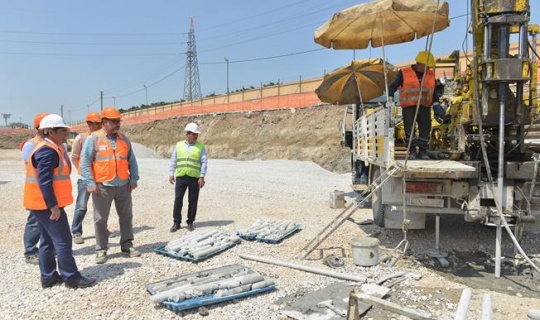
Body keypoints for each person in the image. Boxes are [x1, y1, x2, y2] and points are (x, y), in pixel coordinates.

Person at [24, 114, 95, 288]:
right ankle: (71, 277)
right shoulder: (47, 151)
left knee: (47, 241)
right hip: (46, 205)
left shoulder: (49, 148)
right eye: (63, 130)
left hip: (42, 204)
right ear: (50, 132)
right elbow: (45, 182)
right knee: (63, 241)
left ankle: (48, 277)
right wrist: (53, 207)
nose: (66, 134)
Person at [80, 107, 141, 264]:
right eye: (114, 121)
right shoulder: (93, 139)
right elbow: (85, 162)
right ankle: (101, 249)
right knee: (100, 219)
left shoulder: (124, 139)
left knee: (126, 217)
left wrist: (134, 178)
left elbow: (131, 161)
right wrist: (90, 182)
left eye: (118, 121)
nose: (117, 124)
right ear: (104, 122)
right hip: (103, 186)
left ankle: (127, 245)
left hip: (123, 185)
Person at [388, 50, 441, 160]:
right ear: (420, 63)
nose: (429, 68)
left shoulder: (430, 75)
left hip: (425, 106)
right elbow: (392, 86)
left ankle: (422, 151)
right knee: (410, 129)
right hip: (409, 106)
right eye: (427, 66)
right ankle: (412, 151)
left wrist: (436, 104)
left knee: (425, 128)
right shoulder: (404, 72)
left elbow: (434, 91)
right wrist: (390, 98)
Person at [19, 112, 49, 265]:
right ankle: (30, 251)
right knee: (35, 220)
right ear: (40, 128)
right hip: (37, 190)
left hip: (51, 189)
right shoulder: (30, 145)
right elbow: (31, 167)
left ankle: (48, 248)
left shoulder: (54, 143)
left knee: (52, 219)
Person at [168, 122, 208, 232]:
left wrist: (202, 177)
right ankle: (176, 222)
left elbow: (204, 162)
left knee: (193, 200)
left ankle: (190, 222)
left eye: (196, 134)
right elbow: (173, 159)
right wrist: (171, 173)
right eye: (193, 134)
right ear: (188, 134)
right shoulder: (179, 145)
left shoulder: (200, 147)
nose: (195, 136)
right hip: (181, 176)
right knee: (178, 200)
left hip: (194, 178)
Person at [70, 112, 103, 244]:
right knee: (81, 206)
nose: (100, 125)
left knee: (101, 207)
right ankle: (76, 232)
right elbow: (74, 157)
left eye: (100, 123)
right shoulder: (81, 138)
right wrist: (83, 172)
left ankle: (102, 230)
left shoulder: (102, 137)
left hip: (100, 178)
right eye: (97, 123)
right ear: (89, 124)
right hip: (85, 179)